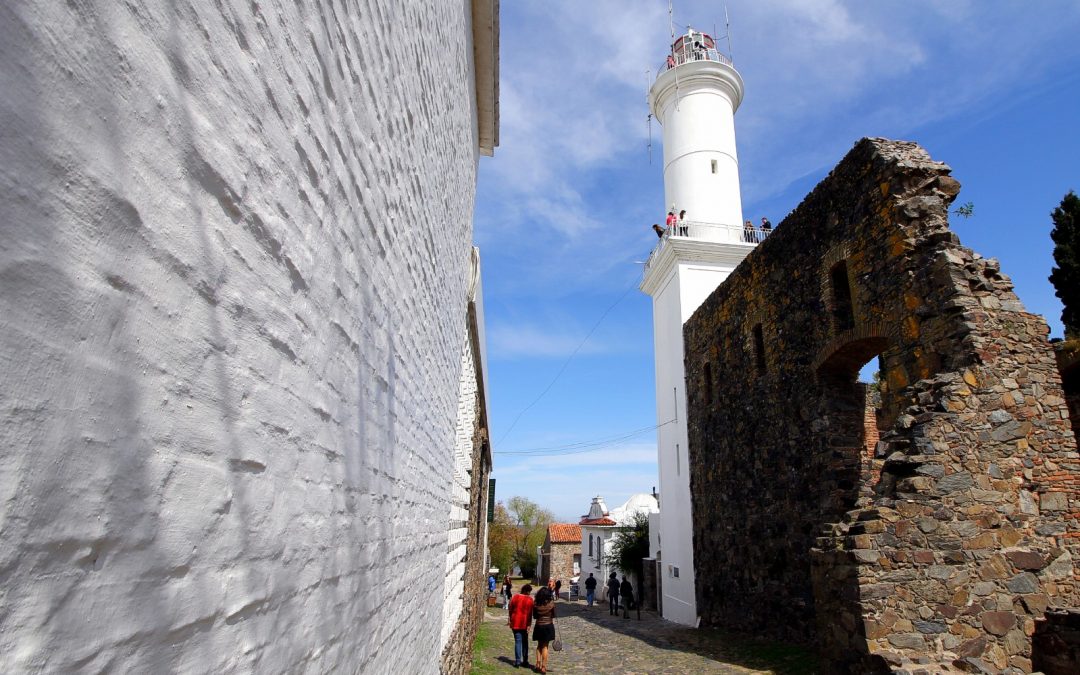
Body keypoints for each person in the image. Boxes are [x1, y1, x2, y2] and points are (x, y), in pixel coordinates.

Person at [507, 584, 534, 669]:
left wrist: (510, 618)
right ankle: (525, 661)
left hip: (515, 622)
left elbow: (510, 608)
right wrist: (529, 624)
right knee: (525, 642)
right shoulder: (530, 600)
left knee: (518, 641)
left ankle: (518, 661)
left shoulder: (515, 597)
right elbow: (530, 614)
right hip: (524, 623)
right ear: (528, 591)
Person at [532, 587, 557, 674]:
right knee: (545, 646)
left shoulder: (536, 604)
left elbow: (534, 616)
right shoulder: (551, 604)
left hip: (539, 625)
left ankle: (537, 664)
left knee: (539, 645)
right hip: (548, 625)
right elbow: (553, 615)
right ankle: (543, 667)